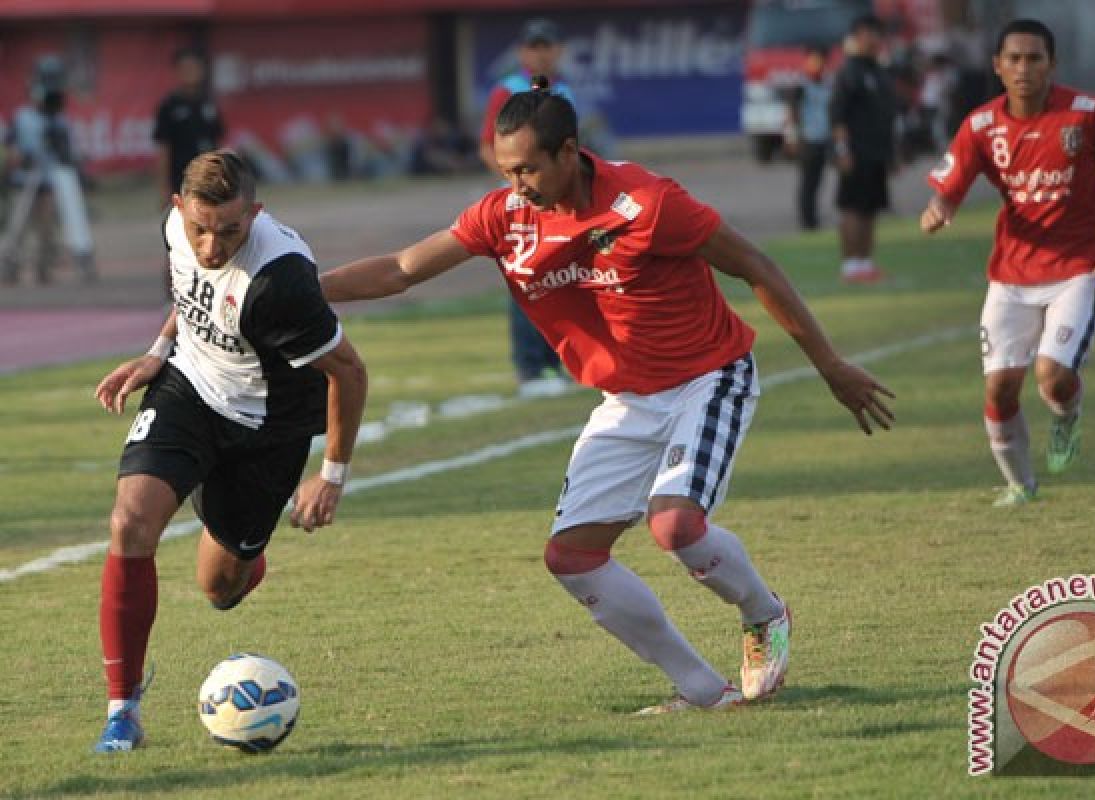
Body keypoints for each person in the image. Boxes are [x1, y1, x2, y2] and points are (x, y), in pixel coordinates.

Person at [320, 84, 894, 712]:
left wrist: (830, 365)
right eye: (505, 170)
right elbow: (402, 269)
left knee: (675, 524)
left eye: (527, 169)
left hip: (708, 377)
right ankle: (704, 693)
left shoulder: (649, 204)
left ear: (570, 151)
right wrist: (301, 292)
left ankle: (763, 614)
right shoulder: (504, 216)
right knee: (571, 557)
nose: (515, 185)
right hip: (626, 399)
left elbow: (756, 265)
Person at [91, 150, 368, 751]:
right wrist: (157, 352)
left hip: (266, 427)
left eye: (230, 231)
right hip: (189, 389)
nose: (211, 246)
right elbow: (192, 295)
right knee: (129, 522)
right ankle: (123, 712)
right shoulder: (176, 230)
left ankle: (244, 553)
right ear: (178, 209)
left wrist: (332, 475)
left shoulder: (281, 281)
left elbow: (348, 372)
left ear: (256, 213)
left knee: (220, 588)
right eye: (200, 228)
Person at [920, 19, 1095, 508]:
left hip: (1078, 267)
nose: (1025, 68)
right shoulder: (981, 125)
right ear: (998, 67)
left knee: (1052, 376)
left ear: (1052, 65)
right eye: (1015, 59)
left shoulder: (1087, 114)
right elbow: (949, 188)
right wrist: (941, 209)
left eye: (1035, 58)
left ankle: (1066, 415)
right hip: (1011, 275)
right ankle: (1020, 485)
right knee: (1001, 387)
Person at [480, 18, 576, 398]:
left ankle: (556, 361)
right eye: (533, 47)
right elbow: (488, 146)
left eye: (546, 46)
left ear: (558, 50)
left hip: (557, 199)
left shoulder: (563, 90)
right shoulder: (508, 90)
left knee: (561, 275)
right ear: (522, 52)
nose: (540, 54)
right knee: (526, 275)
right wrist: (518, 183)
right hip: (526, 201)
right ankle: (531, 367)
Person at [1, 54, 96, 285]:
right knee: (18, 226)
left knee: (47, 228)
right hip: (25, 179)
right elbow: (11, 148)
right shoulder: (23, 117)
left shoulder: (60, 120)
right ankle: (9, 265)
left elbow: (66, 151)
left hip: (49, 181)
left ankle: (44, 267)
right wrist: (19, 159)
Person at [830, 14, 898, 284]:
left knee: (871, 208)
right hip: (855, 153)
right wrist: (842, 151)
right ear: (856, 38)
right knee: (852, 208)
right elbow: (837, 117)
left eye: (876, 34)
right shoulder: (848, 72)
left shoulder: (878, 71)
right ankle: (851, 265)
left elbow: (887, 116)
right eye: (867, 34)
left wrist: (892, 154)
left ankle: (866, 263)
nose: (873, 39)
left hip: (877, 153)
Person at [153, 48, 224, 208]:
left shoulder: (209, 102)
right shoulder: (169, 106)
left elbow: (218, 141)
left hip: (209, 177)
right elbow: (164, 148)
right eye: (186, 69)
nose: (190, 73)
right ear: (177, 71)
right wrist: (164, 187)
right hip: (181, 177)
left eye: (194, 68)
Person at [783, 47, 834, 231]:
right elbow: (791, 113)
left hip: (823, 139)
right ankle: (807, 219)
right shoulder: (800, 86)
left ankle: (813, 217)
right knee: (807, 181)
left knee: (818, 180)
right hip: (807, 139)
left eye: (821, 61)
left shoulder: (828, 84)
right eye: (815, 60)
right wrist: (791, 138)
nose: (818, 65)